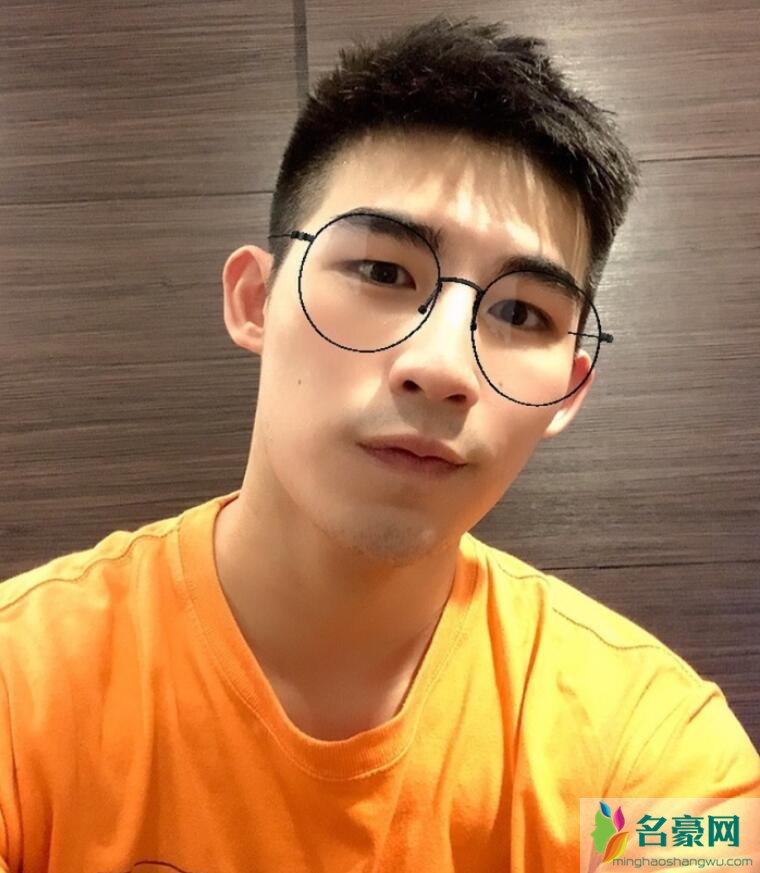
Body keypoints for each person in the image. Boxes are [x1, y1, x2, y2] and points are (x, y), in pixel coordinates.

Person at [1, 14, 757, 873]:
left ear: (568, 391)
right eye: (382, 271)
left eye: (521, 313)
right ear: (255, 301)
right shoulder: (25, 687)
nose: (443, 367)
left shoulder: (652, 750)